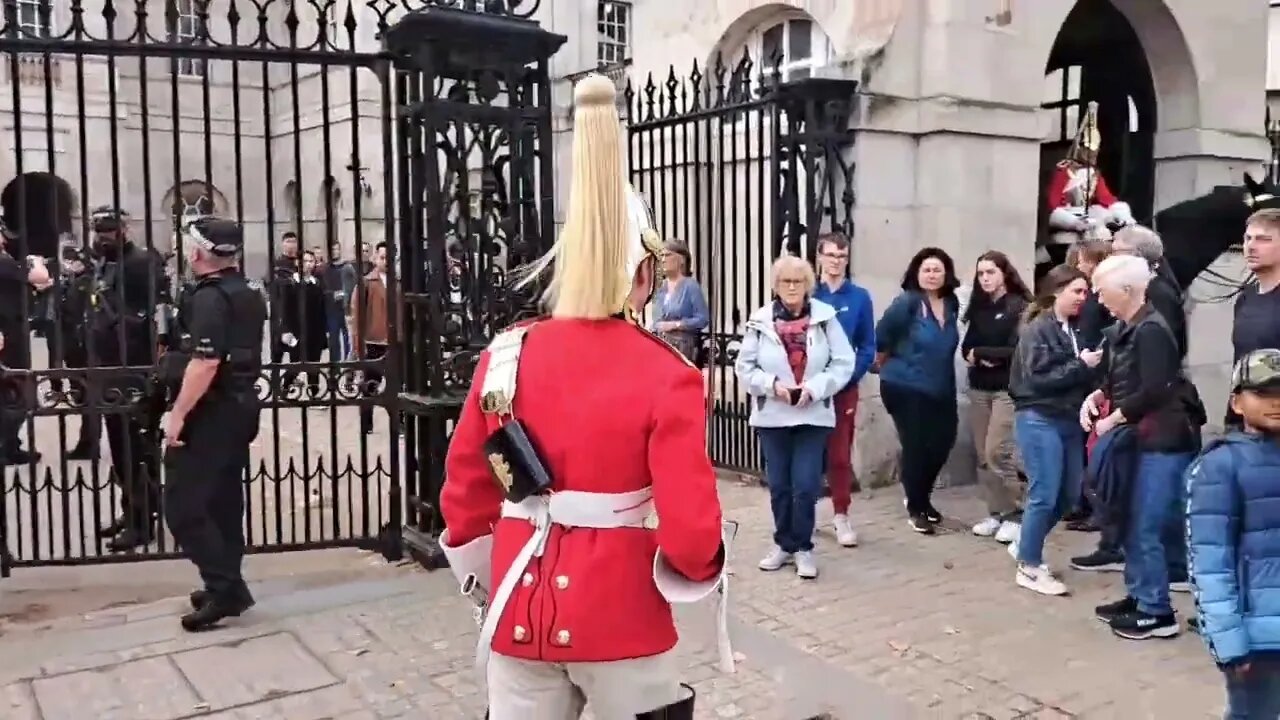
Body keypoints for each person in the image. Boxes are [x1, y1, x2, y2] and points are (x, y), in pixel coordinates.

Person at [438, 74, 727, 719]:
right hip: (622, 617)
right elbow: (689, 532)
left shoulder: (505, 352)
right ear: (646, 274)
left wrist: (497, 575)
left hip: (521, 607)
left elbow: (465, 494)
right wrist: (698, 567)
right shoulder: (668, 372)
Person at [1083, 254, 1204, 640]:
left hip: (1164, 441)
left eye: (1102, 291)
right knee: (1133, 521)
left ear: (1128, 289)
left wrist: (1113, 419)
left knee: (1148, 525)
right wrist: (1097, 396)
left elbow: (1156, 387)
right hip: (1143, 438)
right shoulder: (1127, 327)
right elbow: (1122, 378)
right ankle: (1139, 596)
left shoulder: (1151, 329)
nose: (1098, 299)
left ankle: (1157, 611)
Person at [158, 217, 265, 631]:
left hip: (211, 409)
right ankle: (224, 581)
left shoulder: (209, 299)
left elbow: (205, 362)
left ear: (198, 252)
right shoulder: (248, 292)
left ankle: (226, 589)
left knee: (183, 507)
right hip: (240, 408)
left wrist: (178, 414)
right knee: (223, 501)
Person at [737, 254, 855, 578]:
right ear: (775, 286)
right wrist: (772, 386)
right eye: (785, 281)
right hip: (773, 416)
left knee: (804, 484)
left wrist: (815, 388)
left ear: (808, 285)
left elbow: (843, 362)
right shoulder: (760, 321)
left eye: (798, 281)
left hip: (812, 414)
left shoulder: (826, 318)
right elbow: (744, 368)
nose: (792, 287)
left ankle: (803, 547)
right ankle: (783, 544)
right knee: (779, 485)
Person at [1187, 348, 1280, 718]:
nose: (1275, 402)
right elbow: (1210, 563)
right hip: (1258, 639)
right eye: (1263, 392)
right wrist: (1229, 643)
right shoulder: (1220, 465)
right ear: (1237, 403)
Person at [1006, 265, 1098, 596]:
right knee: (1044, 491)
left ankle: (1026, 543)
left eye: (1085, 292)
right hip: (1039, 416)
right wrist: (1082, 365)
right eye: (1077, 291)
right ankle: (1029, 565)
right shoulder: (1038, 328)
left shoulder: (1073, 329)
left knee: (1068, 493)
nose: (1082, 298)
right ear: (1057, 291)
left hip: (1069, 418)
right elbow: (1039, 379)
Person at [88, 206, 171, 552]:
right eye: (99, 231)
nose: (103, 237)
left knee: (136, 448)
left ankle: (142, 522)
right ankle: (132, 508)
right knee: (119, 448)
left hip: (133, 370)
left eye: (109, 231)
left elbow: (156, 309)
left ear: (124, 230)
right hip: (108, 369)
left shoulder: (142, 262)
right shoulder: (105, 264)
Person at [874, 247, 961, 535]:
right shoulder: (907, 303)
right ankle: (917, 507)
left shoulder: (951, 303)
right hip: (905, 385)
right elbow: (882, 337)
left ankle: (920, 496)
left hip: (941, 387)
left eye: (937, 269)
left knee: (942, 442)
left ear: (946, 273)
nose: (932, 275)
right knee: (916, 446)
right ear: (916, 273)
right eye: (927, 269)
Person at [961, 250, 1032, 545]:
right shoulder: (979, 308)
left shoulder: (1020, 307)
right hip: (979, 387)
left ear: (1004, 273)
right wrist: (977, 354)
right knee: (981, 454)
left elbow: (1018, 351)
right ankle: (996, 511)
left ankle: (1017, 514)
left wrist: (984, 354)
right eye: (980, 273)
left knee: (998, 450)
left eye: (990, 272)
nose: (985, 278)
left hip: (1006, 389)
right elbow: (967, 347)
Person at [812, 231, 875, 548]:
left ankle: (840, 515)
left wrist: (850, 375)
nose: (836, 261)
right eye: (831, 255)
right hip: (811, 390)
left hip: (844, 388)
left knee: (839, 454)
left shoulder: (859, 297)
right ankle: (805, 513)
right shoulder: (809, 294)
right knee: (810, 452)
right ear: (820, 256)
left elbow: (867, 346)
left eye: (842, 255)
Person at [1042, 100, 1134, 267]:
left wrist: (1121, 215)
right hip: (1067, 216)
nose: (1092, 155)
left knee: (1102, 229)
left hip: (1088, 217)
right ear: (1081, 148)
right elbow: (1053, 204)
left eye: (1094, 152)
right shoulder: (1064, 170)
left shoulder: (1094, 173)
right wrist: (1074, 222)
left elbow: (1106, 198)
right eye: (1089, 151)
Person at [0, 219, 51, 464]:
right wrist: (36, 261)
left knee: (14, 390)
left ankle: (10, 444)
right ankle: (6, 446)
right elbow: (40, 276)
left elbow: (39, 284)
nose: (5, 240)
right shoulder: (3, 262)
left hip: (13, 331)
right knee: (18, 392)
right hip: (8, 335)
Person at [1227, 209, 1280, 430]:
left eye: (1264, 239)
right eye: (1248, 238)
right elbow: (1239, 363)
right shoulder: (1246, 297)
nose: (1251, 246)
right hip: (1244, 424)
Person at [1111, 225, 1186, 361]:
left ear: (1137, 254)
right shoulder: (1141, 286)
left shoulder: (1158, 292)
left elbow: (1164, 348)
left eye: (1116, 251)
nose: (1111, 258)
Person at [350, 242, 393, 434]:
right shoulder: (367, 283)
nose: (386, 262)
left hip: (394, 342)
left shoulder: (398, 282)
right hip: (373, 342)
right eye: (383, 257)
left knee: (396, 386)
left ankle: (398, 423)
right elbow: (357, 316)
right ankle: (366, 424)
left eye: (390, 258)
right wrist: (359, 344)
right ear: (376, 258)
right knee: (370, 385)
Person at [650, 239, 709, 364]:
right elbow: (655, 319)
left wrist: (677, 325)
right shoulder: (660, 287)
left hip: (683, 349)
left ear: (681, 260)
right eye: (661, 256)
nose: (663, 259)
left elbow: (703, 319)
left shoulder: (690, 286)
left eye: (667, 255)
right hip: (661, 346)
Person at [321, 240, 358, 361]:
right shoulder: (326, 269)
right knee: (333, 338)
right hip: (332, 309)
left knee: (348, 337)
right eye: (332, 249)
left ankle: (348, 362)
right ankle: (335, 365)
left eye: (337, 249)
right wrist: (332, 295)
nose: (335, 252)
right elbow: (323, 289)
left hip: (346, 308)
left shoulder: (347, 267)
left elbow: (354, 285)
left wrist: (347, 296)